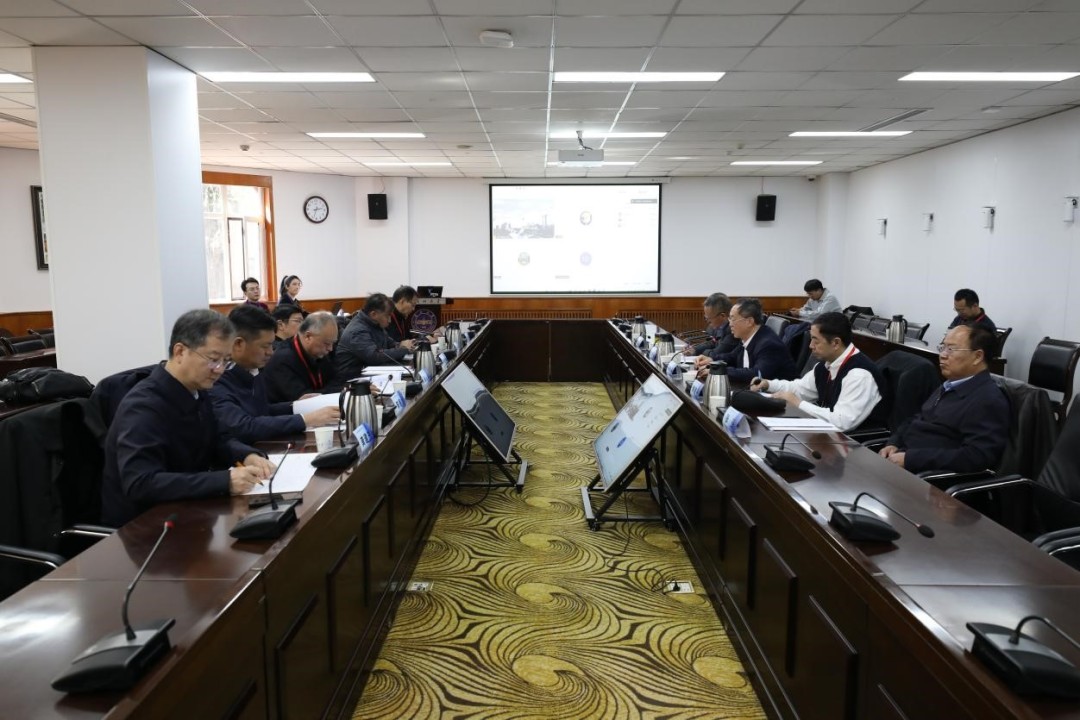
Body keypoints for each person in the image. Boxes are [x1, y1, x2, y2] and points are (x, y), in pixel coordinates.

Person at [100, 309, 272, 527]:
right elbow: (140, 483)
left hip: (188, 510)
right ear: (180, 351)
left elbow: (216, 439)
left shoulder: (197, 390)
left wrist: (247, 455)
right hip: (145, 526)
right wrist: (225, 481)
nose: (220, 370)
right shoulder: (143, 406)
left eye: (226, 361)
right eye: (213, 360)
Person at [879, 324, 1009, 474]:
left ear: (977, 356)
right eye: (943, 347)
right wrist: (894, 443)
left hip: (930, 479)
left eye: (951, 349)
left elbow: (976, 457)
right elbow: (917, 419)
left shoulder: (987, 399)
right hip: (903, 463)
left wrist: (911, 459)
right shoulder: (949, 385)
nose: (942, 355)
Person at [210, 305, 339, 443]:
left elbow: (262, 410)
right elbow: (243, 426)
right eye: (265, 346)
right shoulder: (216, 378)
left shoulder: (252, 370)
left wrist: (297, 405)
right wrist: (305, 420)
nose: (271, 352)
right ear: (239, 344)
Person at [750, 312, 885, 432]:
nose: (810, 346)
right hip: (829, 436)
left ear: (836, 343)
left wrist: (798, 403)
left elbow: (842, 422)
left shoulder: (859, 375)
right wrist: (768, 384)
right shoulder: (825, 365)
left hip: (856, 444)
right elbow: (799, 388)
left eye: (816, 341)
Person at [713, 298, 798, 384]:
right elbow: (732, 357)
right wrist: (711, 361)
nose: (730, 324)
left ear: (749, 322)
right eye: (729, 319)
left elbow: (756, 375)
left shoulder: (769, 345)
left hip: (779, 391)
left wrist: (720, 370)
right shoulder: (748, 337)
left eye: (733, 319)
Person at [263, 311, 340, 403]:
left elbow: (337, 381)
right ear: (308, 336)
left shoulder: (320, 351)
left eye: (333, 343)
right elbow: (304, 400)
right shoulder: (282, 359)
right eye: (327, 343)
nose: (330, 348)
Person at [336, 293, 416, 380]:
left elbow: (390, 343)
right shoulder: (357, 330)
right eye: (387, 316)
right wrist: (404, 349)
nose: (390, 320)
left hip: (370, 374)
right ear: (373, 314)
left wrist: (400, 345)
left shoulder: (375, 324)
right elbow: (374, 356)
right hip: (351, 380)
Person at [684, 293, 739, 369]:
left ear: (722, 316)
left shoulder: (733, 330)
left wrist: (704, 353)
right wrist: (694, 350)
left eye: (709, 318)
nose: (707, 321)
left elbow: (717, 353)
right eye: (705, 317)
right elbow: (711, 343)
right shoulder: (717, 327)